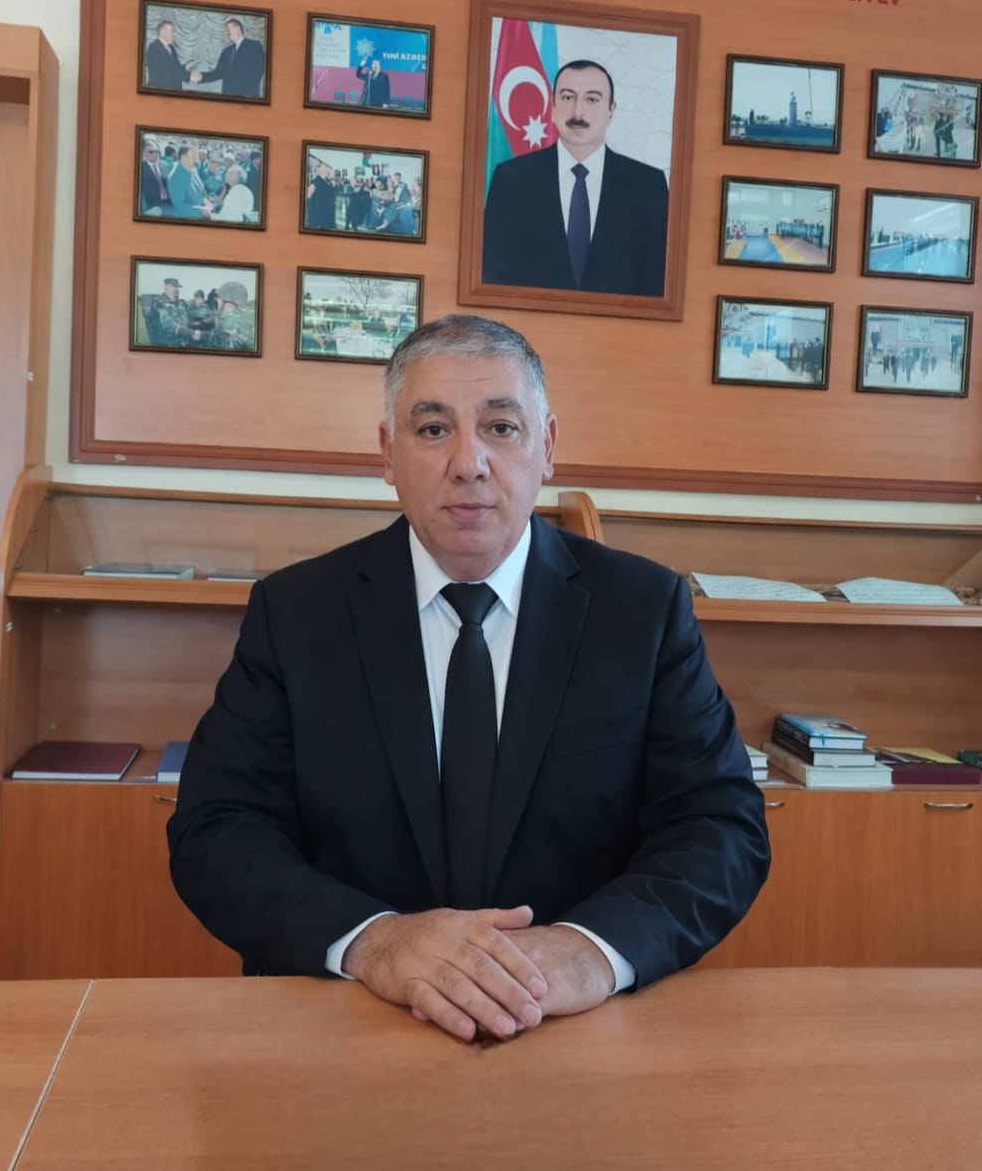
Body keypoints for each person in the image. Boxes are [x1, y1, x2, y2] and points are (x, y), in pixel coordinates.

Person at [168, 313, 769, 1044]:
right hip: (351, 1022)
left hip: (573, 1029)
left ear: (547, 447)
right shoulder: (296, 613)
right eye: (432, 429)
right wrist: (374, 941)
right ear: (388, 453)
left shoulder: (643, 612)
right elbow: (216, 829)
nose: (468, 462)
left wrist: (592, 950)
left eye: (501, 428)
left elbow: (720, 826)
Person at [482, 60, 668, 296]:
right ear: (552, 107)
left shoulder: (649, 186)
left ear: (611, 110)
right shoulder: (510, 179)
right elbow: (492, 274)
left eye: (592, 99)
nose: (578, 113)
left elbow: (657, 284)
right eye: (568, 97)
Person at [190, 18, 265, 98]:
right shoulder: (226, 51)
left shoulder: (254, 46)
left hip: (247, 98)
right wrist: (201, 77)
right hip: (227, 97)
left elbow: (257, 72)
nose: (226, 33)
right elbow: (218, 73)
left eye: (228, 29)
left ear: (237, 29)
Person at [145, 18, 193, 92]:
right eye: (172, 31)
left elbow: (175, 68)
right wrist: (190, 76)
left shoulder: (171, 48)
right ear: (163, 32)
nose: (175, 34)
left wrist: (186, 66)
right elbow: (169, 73)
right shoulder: (154, 48)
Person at [167, 144, 212, 220]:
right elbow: (179, 206)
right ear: (183, 158)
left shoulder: (193, 168)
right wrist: (201, 211)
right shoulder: (175, 178)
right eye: (193, 158)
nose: (196, 161)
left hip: (204, 214)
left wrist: (206, 201)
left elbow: (201, 189)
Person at [210, 280, 254, 350]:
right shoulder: (245, 317)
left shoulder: (227, 322)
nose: (217, 300)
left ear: (225, 300)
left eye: (219, 298)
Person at [139, 137, 171, 214]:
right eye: (151, 152)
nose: (155, 154)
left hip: (169, 205)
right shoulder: (140, 168)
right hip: (152, 208)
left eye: (156, 151)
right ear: (144, 153)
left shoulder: (166, 165)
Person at [306, 160, 338, 230]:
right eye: (324, 167)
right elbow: (308, 200)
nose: (327, 169)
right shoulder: (315, 182)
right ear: (318, 169)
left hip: (330, 218)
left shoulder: (329, 182)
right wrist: (314, 222)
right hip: (320, 220)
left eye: (327, 168)